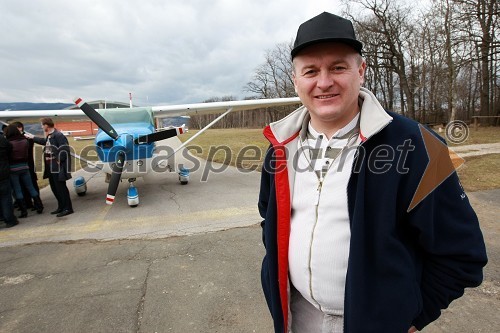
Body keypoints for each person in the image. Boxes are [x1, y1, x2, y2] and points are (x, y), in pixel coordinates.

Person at [258, 12, 487, 333]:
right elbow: (270, 218)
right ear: (296, 80)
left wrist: (410, 318)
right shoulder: (279, 147)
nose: (324, 82)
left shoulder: (420, 145)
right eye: (311, 71)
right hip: (297, 318)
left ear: (361, 71)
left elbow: (463, 254)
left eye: (338, 67)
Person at [26, 118, 73, 217]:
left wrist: (59, 160)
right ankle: (61, 206)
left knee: (61, 188)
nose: (42, 127)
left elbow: (64, 149)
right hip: (50, 166)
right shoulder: (50, 136)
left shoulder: (58, 135)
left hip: (56, 166)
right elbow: (45, 142)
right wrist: (33, 137)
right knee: (54, 187)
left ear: (46, 125)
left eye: (42, 125)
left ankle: (68, 208)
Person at [5, 124, 44, 217]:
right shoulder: (25, 141)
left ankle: (24, 211)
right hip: (25, 167)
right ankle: (39, 206)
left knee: (18, 189)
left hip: (13, 168)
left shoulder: (8, 143)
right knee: (31, 187)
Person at [12, 121, 40, 211]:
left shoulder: (27, 138)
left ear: (20, 128)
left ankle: (37, 204)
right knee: (23, 185)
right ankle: (28, 203)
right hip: (23, 165)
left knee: (32, 184)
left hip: (28, 165)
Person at [0, 128, 19, 227]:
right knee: (5, 198)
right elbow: (9, 148)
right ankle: (10, 220)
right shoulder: (2, 140)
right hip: (3, 174)